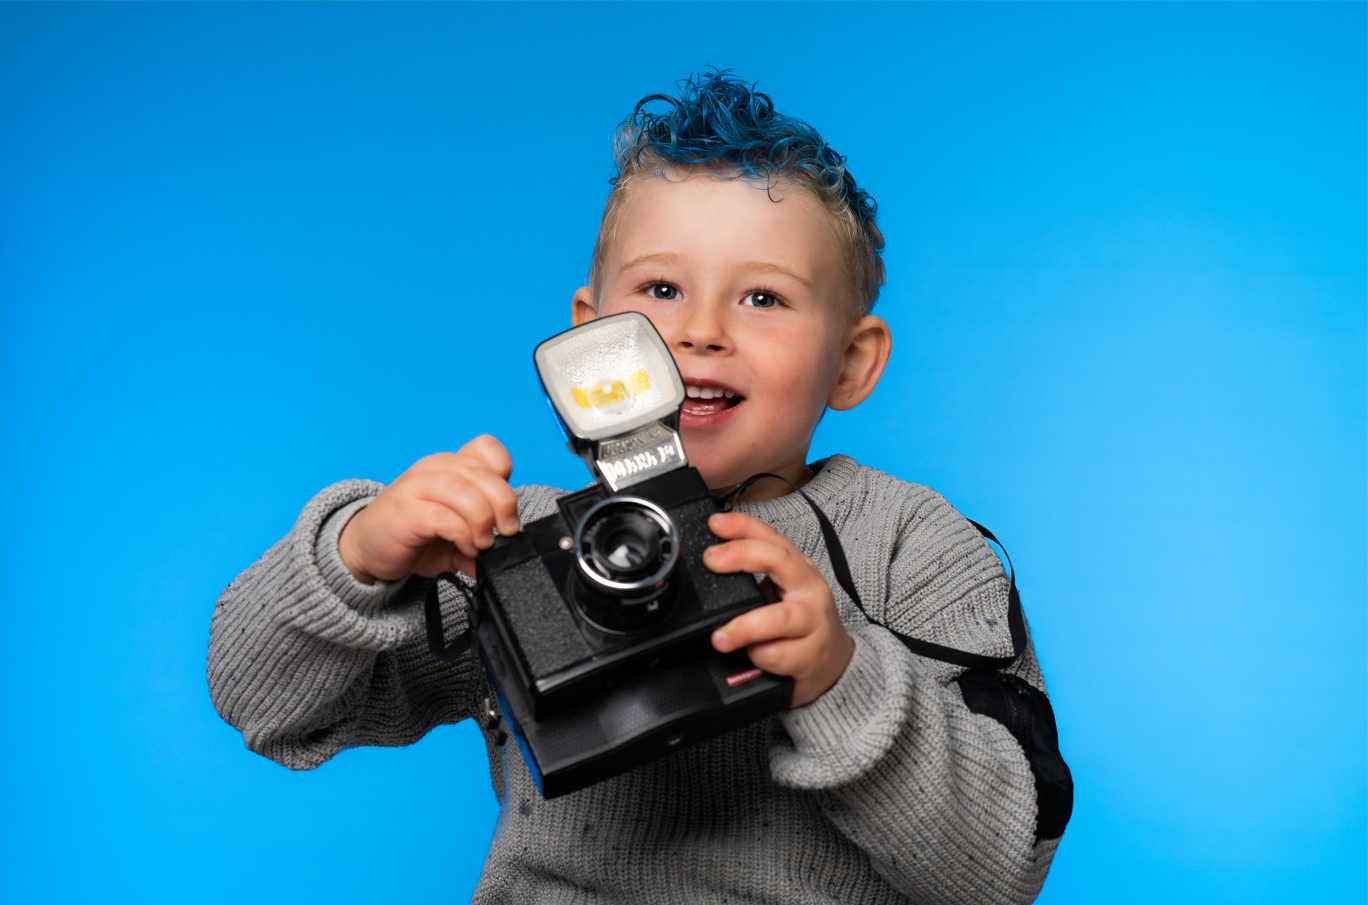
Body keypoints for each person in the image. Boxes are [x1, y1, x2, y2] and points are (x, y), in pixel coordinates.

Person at [208, 71, 1069, 904]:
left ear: (851, 361)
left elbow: (1002, 870)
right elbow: (263, 703)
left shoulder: (913, 543)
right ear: (593, 332)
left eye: (763, 297)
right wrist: (356, 561)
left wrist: (842, 674)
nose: (700, 331)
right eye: (662, 288)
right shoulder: (523, 541)